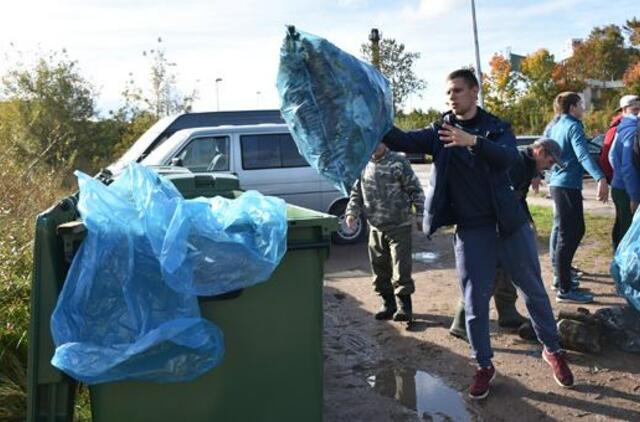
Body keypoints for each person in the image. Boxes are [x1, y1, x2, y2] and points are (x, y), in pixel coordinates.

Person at [382, 68, 574, 400]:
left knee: (534, 292)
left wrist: (473, 141)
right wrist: (374, 115)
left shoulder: (497, 128)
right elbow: (400, 139)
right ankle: (483, 365)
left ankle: (552, 349)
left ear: (474, 92)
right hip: (472, 232)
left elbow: (506, 158)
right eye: (448, 92)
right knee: (474, 303)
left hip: (510, 228)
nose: (451, 96)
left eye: (457, 90)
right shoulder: (439, 132)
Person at [449, 138, 564, 341]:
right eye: (550, 161)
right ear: (540, 152)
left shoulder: (527, 166)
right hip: (485, 221)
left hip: (505, 222)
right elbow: (493, 195)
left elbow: (518, 197)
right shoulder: (514, 162)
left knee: (507, 267)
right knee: (484, 274)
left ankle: (507, 312)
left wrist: (526, 220)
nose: (549, 167)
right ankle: (461, 323)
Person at [345, 143, 425, 322]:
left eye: (377, 141)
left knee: (401, 268)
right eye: (370, 142)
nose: (373, 146)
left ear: (384, 142)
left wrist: (420, 215)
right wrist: (351, 213)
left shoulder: (398, 162)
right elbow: (356, 193)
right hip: (375, 227)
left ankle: (405, 307)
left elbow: (415, 189)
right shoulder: (363, 164)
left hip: (399, 226)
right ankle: (388, 304)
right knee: (379, 268)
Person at [547, 92, 609, 304]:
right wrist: (600, 177)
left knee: (568, 231)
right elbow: (582, 154)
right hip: (566, 185)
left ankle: (562, 278)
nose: (584, 108)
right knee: (568, 234)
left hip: (558, 184)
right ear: (573, 107)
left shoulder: (556, 124)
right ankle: (564, 288)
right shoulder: (573, 125)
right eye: (581, 104)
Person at [608, 94, 640, 249]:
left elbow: (612, 156)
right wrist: (633, 194)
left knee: (623, 228)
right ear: (625, 110)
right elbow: (628, 165)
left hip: (620, 187)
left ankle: (619, 263)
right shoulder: (632, 130)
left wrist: (618, 176)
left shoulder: (621, 128)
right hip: (627, 190)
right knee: (629, 233)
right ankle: (624, 269)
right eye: (635, 108)